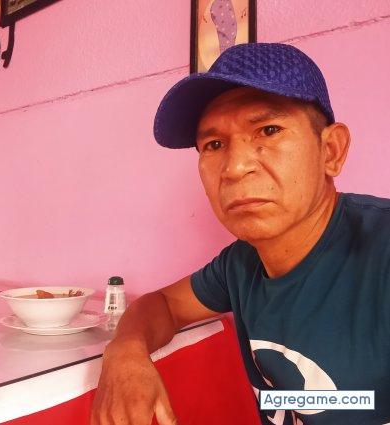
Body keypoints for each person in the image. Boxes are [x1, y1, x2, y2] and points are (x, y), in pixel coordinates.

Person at [91, 43, 390, 425]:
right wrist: (125, 351)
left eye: (269, 130)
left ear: (330, 150)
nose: (234, 167)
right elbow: (164, 304)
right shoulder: (241, 264)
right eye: (214, 144)